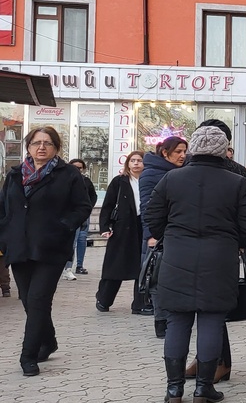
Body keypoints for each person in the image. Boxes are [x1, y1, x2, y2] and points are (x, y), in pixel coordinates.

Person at [144, 126, 246, 403]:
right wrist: (234, 239)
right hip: (220, 258)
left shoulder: (171, 178)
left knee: (177, 321)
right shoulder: (236, 182)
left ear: (193, 148)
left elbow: (152, 216)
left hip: (177, 257)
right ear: (223, 150)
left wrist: (170, 235)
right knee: (211, 319)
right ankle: (204, 389)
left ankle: (174, 389)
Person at [0, 127, 93, 376]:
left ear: (56, 148)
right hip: (19, 246)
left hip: (50, 247)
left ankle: (28, 356)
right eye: (36, 143)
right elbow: (3, 208)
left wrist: (63, 226)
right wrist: (4, 236)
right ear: (28, 146)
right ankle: (48, 341)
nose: (42, 147)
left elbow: (83, 206)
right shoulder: (15, 174)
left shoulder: (68, 174)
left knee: (39, 299)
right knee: (29, 300)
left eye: (48, 143)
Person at [141, 136, 189, 336]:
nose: (183, 155)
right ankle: (161, 321)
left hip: (180, 234)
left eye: (185, 151)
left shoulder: (182, 172)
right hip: (159, 235)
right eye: (178, 151)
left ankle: (176, 318)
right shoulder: (151, 174)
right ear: (165, 152)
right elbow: (146, 207)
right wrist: (151, 234)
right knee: (158, 278)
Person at [95, 152, 146, 313]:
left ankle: (140, 304)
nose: (136, 163)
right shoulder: (119, 181)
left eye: (139, 160)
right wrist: (105, 227)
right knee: (115, 265)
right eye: (133, 160)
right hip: (122, 228)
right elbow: (108, 205)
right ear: (128, 163)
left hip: (142, 226)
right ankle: (104, 299)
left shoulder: (147, 180)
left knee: (143, 266)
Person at [65, 159, 98, 279]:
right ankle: (67, 268)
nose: (78, 170)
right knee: (72, 241)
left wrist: (88, 209)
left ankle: (79, 265)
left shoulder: (86, 181)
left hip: (84, 216)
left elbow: (93, 196)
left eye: (80, 168)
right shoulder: (65, 180)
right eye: (75, 167)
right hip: (71, 215)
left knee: (82, 240)